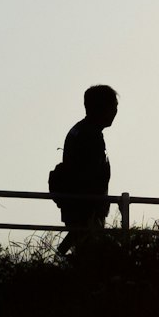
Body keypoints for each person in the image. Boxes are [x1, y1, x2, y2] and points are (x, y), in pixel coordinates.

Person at [48, 84, 118, 247]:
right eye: (113, 106)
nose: (115, 111)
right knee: (93, 259)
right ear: (102, 108)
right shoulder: (89, 136)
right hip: (86, 211)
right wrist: (92, 211)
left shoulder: (80, 131)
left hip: (80, 209)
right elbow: (88, 177)